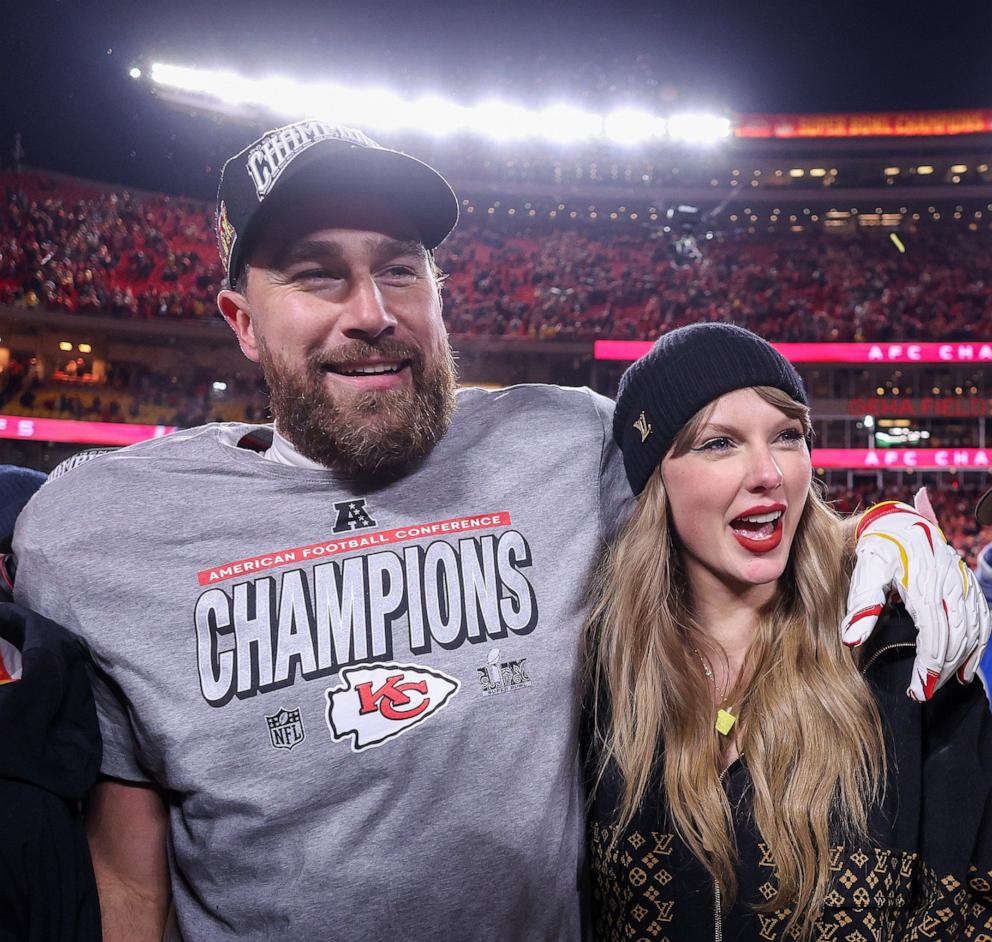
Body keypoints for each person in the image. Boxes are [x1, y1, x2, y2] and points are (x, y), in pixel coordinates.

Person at [10, 122, 988, 942]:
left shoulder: (563, 442)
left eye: (399, 269)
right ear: (239, 319)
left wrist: (867, 537)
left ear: (439, 293)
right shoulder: (104, 531)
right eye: (316, 276)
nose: (370, 313)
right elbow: (129, 885)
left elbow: (725, 463)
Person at [585, 323, 992, 939]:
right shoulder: (597, 673)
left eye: (787, 436)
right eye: (719, 443)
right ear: (656, 481)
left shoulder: (904, 649)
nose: (768, 472)